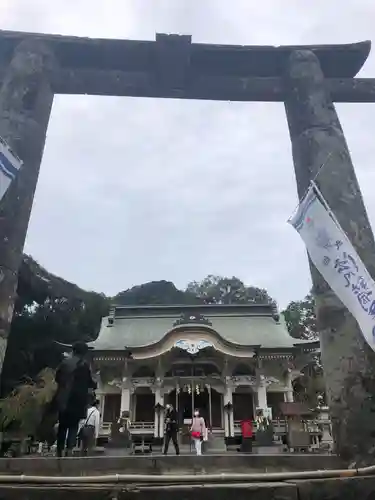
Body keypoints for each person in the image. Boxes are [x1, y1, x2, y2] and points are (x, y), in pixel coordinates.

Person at [54, 341, 97, 457]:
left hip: (64, 399)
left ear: (73, 350)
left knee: (62, 425)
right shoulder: (84, 365)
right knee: (73, 426)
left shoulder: (64, 363)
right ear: (84, 353)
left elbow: (57, 377)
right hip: (78, 400)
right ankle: (69, 450)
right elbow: (91, 383)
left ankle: (59, 450)